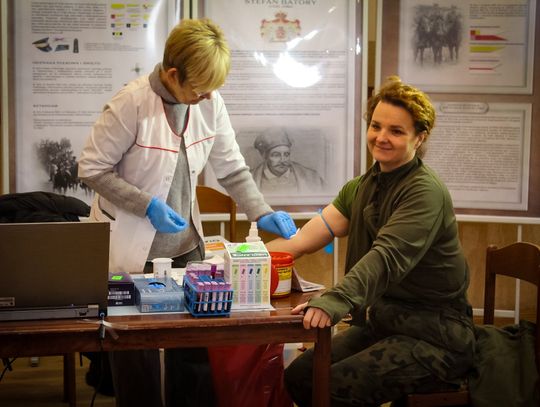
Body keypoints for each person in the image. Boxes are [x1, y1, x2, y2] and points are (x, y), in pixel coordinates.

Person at [78, 18, 297, 407]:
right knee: (135, 351)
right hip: (133, 251)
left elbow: (231, 168)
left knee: (195, 348)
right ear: (173, 74)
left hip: (186, 246)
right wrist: (146, 204)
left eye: (211, 89)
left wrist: (260, 211)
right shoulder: (130, 104)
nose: (206, 97)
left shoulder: (209, 102)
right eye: (198, 89)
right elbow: (92, 169)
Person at [266, 76, 475, 406]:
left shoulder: (424, 192)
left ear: (420, 137)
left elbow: (386, 257)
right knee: (301, 377)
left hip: (436, 337)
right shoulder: (364, 186)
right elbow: (302, 241)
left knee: (332, 388)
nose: (381, 137)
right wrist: (238, 259)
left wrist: (335, 300)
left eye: (396, 131)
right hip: (384, 323)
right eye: (376, 126)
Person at [251, 127, 324, 194]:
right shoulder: (250, 178)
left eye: (286, 154)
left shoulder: (312, 178)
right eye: (276, 155)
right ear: (265, 156)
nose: (282, 160)